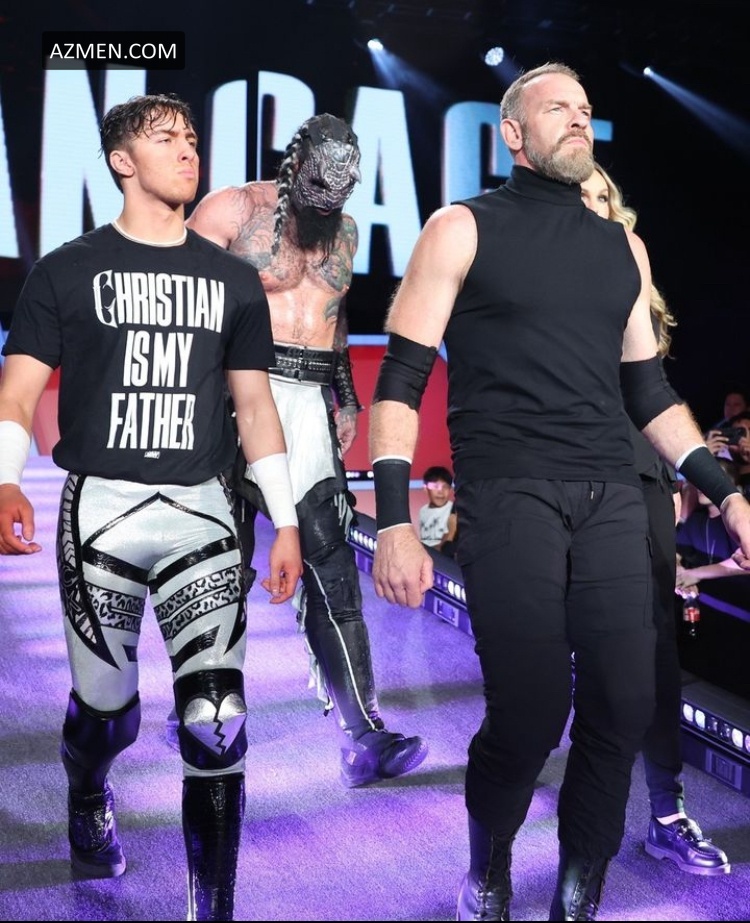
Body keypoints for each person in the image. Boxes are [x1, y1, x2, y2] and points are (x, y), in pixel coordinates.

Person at [368, 62, 750, 922]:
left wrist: (726, 494)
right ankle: (487, 870)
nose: (579, 119)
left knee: (624, 703)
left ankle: (578, 892)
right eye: (557, 109)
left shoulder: (623, 248)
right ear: (512, 133)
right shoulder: (460, 228)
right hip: (510, 491)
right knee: (533, 711)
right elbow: (399, 379)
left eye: (585, 109)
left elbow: (649, 394)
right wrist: (393, 520)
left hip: (611, 492)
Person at [0, 93, 303, 922]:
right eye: (165, 138)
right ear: (121, 161)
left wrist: (285, 520)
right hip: (100, 512)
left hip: (204, 513)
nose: (187, 149)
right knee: (108, 712)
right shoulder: (67, 269)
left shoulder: (232, 279)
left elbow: (255, 407)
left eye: (192, 137)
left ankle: (215, 910)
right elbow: (18, 390)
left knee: (217, 719)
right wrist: (3, 478)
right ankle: (86, 787)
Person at [184, 113, 427, 788]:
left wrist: (344, 396)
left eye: (339, 195)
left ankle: (363, 732)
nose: (327, 207)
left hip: (309, 402)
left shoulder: (345, 230)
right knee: (221, 569)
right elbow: (183, 303)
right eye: (318, 190)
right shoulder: (233, 210)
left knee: (333, 571)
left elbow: (333, 317)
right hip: (234, 396)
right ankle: (204, 712)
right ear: (294, 167)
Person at [581, 163, 730, 876]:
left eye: (604, 197)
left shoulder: (632, 278)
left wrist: (702, 486)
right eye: (581, 196)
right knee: (570, 659)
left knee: (655, 656)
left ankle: (666, 815)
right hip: (557, 484)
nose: (595, 208)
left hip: (636, 478)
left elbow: (654, 395)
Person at [419, 464, 458, 554]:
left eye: (445, 487)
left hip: (441, 555)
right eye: (435, 486)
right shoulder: (423, 510)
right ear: (425, 488)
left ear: (450, 489)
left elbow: (449, 537)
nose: (440, 492)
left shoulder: (452, 510)